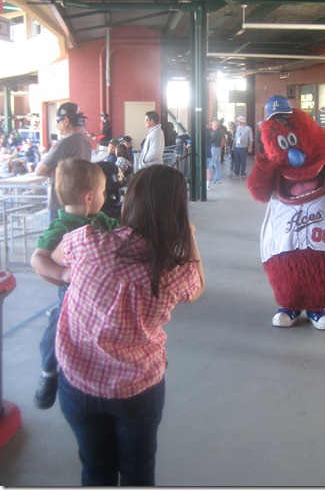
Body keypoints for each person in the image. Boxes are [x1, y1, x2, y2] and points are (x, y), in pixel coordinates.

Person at [45, 165, 204, 486]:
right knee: (138, 471)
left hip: (79, 381)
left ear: (130, 200)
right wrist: (189, 237)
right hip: (138, 388)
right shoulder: (175, 270)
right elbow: (198, 286)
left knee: (95, 469)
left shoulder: (88, 240)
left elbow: (57, 258)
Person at [31, 159, 119, 410]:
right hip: (72, 296)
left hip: (103, 293)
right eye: (103, 192)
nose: (105, 197)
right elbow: (38, 259)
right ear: (90, 197)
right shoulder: (60, 227)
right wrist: (63, 273)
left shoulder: (102, 221)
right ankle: (49, 372)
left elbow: (124, 236)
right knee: (57, 326)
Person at [35, 102, 91, 221]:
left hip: (60, 206)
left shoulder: (64, 143)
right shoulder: (85, 142)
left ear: (66, 120)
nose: (58, 126)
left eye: (58, 121)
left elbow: (39, 171)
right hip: (78, 203)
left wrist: (53, 170)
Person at [210, 119, 225, 184]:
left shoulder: (216, 132)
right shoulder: (220, 131)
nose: (212, 125)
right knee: (217, 164)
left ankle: (209, 179)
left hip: (214, 148)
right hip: (217, 148)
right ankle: (217, 178)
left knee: (210, 164)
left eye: (212, 124)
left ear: (215, 125)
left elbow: (211, 140)